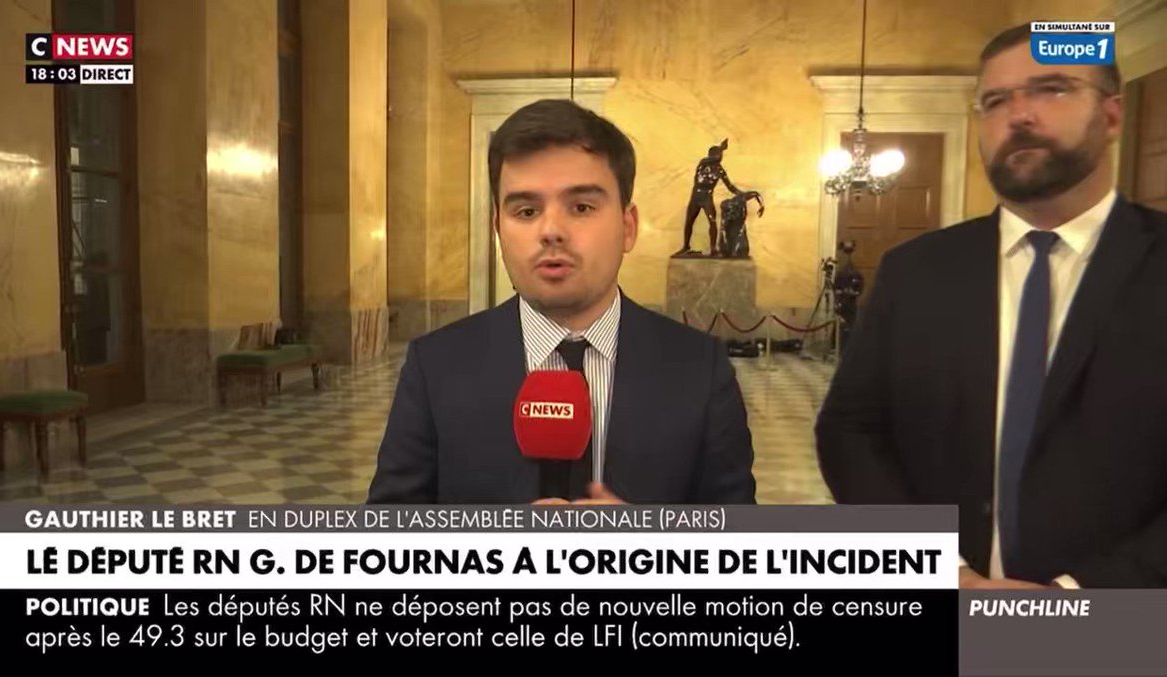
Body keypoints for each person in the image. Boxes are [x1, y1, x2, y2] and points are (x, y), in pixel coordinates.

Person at [815, 23, 1167, 588]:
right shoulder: (915, 271)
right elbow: (850, 431)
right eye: (996, 101)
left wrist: (1075, 598)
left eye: (1051, 89)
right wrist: (938, 568)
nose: (1019, 114)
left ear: (1111, 115)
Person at [368, 99, 756, 505]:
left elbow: (743, 534)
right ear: (498, 229)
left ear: (627, 227)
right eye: (526, 211)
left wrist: (651, 539)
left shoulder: (701, 369)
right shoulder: (436, 366)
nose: (551, 230)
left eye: (581, 207)